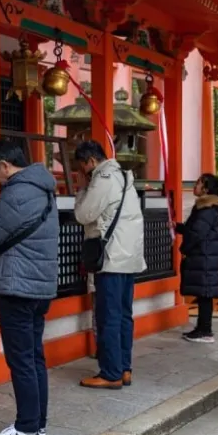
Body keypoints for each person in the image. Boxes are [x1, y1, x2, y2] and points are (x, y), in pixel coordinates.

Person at [0, 139, 59, 435]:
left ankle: (25, 429)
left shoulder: (16, 193)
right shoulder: (44, 188)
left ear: (5, 165)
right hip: (40, 286)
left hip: (17, 287)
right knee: (34, 357)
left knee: (21, 359)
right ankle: (37, 425)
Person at [73, 140, 146, 390]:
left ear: (90, 161)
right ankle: (124, 368)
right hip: (128, 257)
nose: (83, 173)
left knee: (108, 317)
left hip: (111, 258)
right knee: (124, 315)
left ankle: (111, 372)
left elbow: (83, 215)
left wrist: (82, 190)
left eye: (82, 167)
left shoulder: (103, 178)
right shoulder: (124, 177)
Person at [174, 173, 218, 343]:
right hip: (205, 257)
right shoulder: (208, 208)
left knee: (204, 296)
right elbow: (194, 230)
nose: (194, 186)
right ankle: (202, 328)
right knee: (204, 296)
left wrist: (184, 248)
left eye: (197, 183)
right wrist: (179, 228)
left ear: (205, 188)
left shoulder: (206, 210)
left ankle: (205, 331)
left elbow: (196, 234)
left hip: (203, 258)